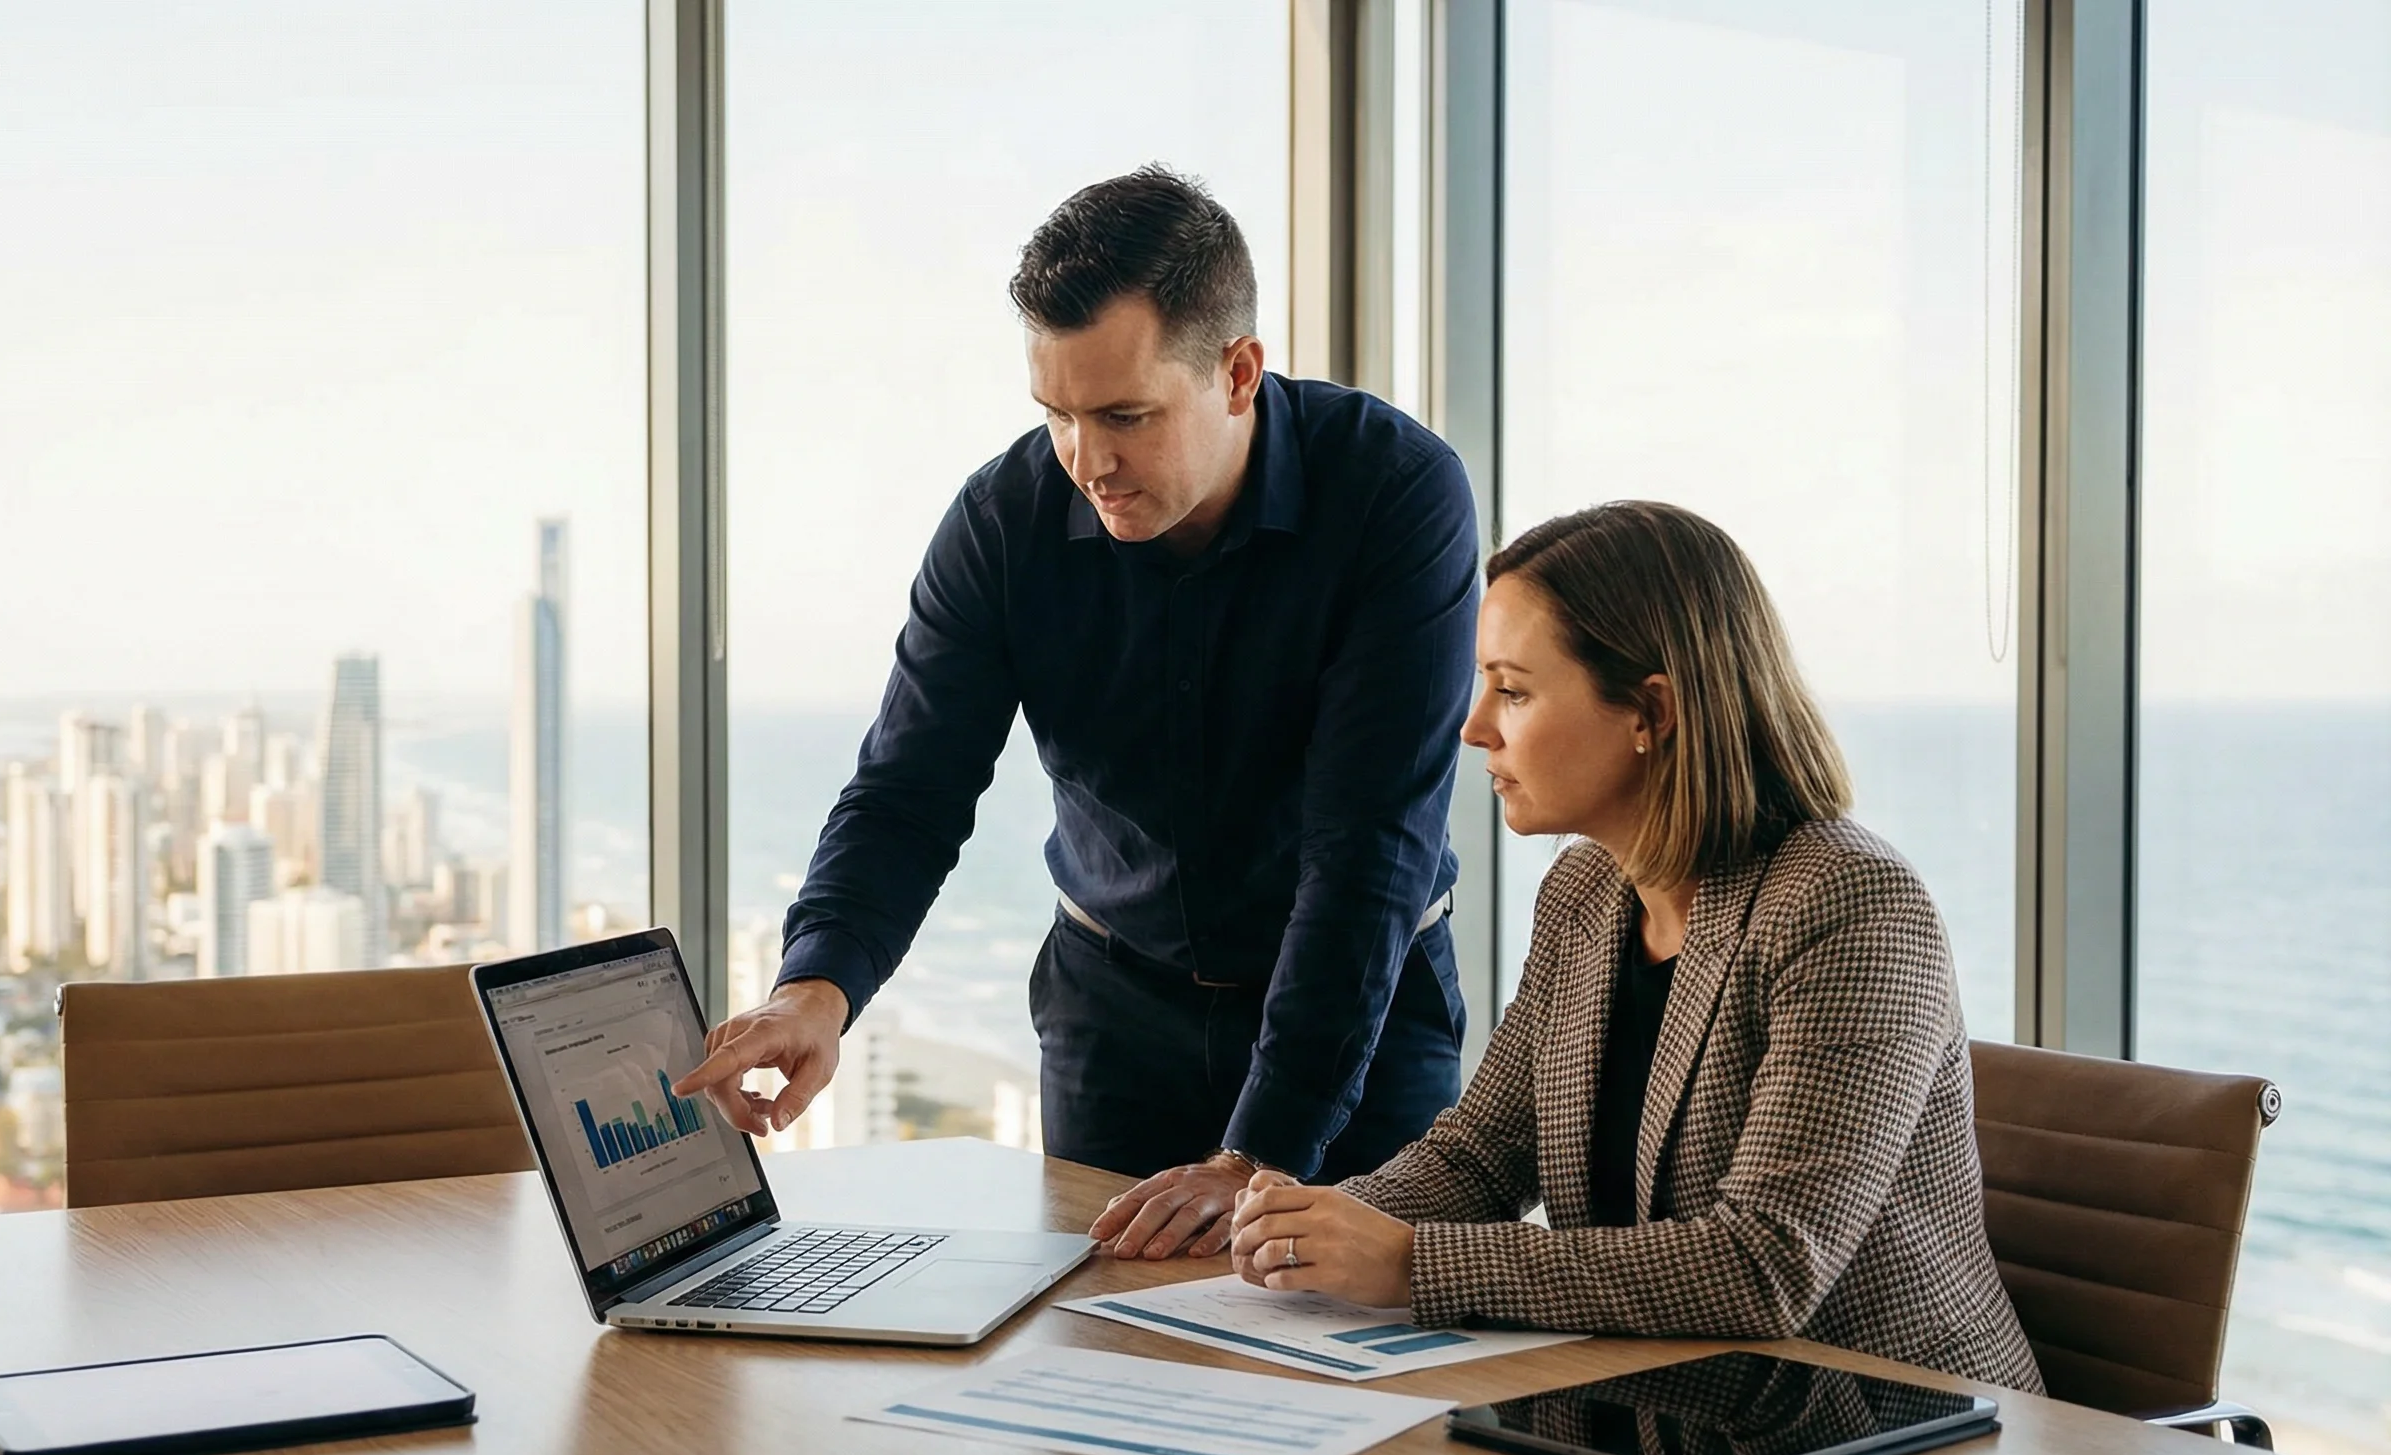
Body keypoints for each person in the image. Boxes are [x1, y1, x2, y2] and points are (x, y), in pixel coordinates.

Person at [672, 166, 1482, 1261]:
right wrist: (817, 988)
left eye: (1125, 416)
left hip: (1363, 1014)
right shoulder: (1004, 520)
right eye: (1055, 415)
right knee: (1103, 1360)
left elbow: (1368, 853)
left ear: (1237, 373)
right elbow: (908, 788)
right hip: (1115, 1015)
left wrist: (1258, 1152)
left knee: (1370, 1380)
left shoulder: (1397, 497)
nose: (1086, 462)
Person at [1228, 501, 2043, 1389]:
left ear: (1650, 709)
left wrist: (1416, 1263)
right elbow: (1482, 1156)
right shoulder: (1583, 893)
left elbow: (1764, 1266)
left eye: (1515, 689)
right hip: (1658, 1407)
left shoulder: (1852, 905)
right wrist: (1307, 1226)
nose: (1474, 728)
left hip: (1890, 1439)